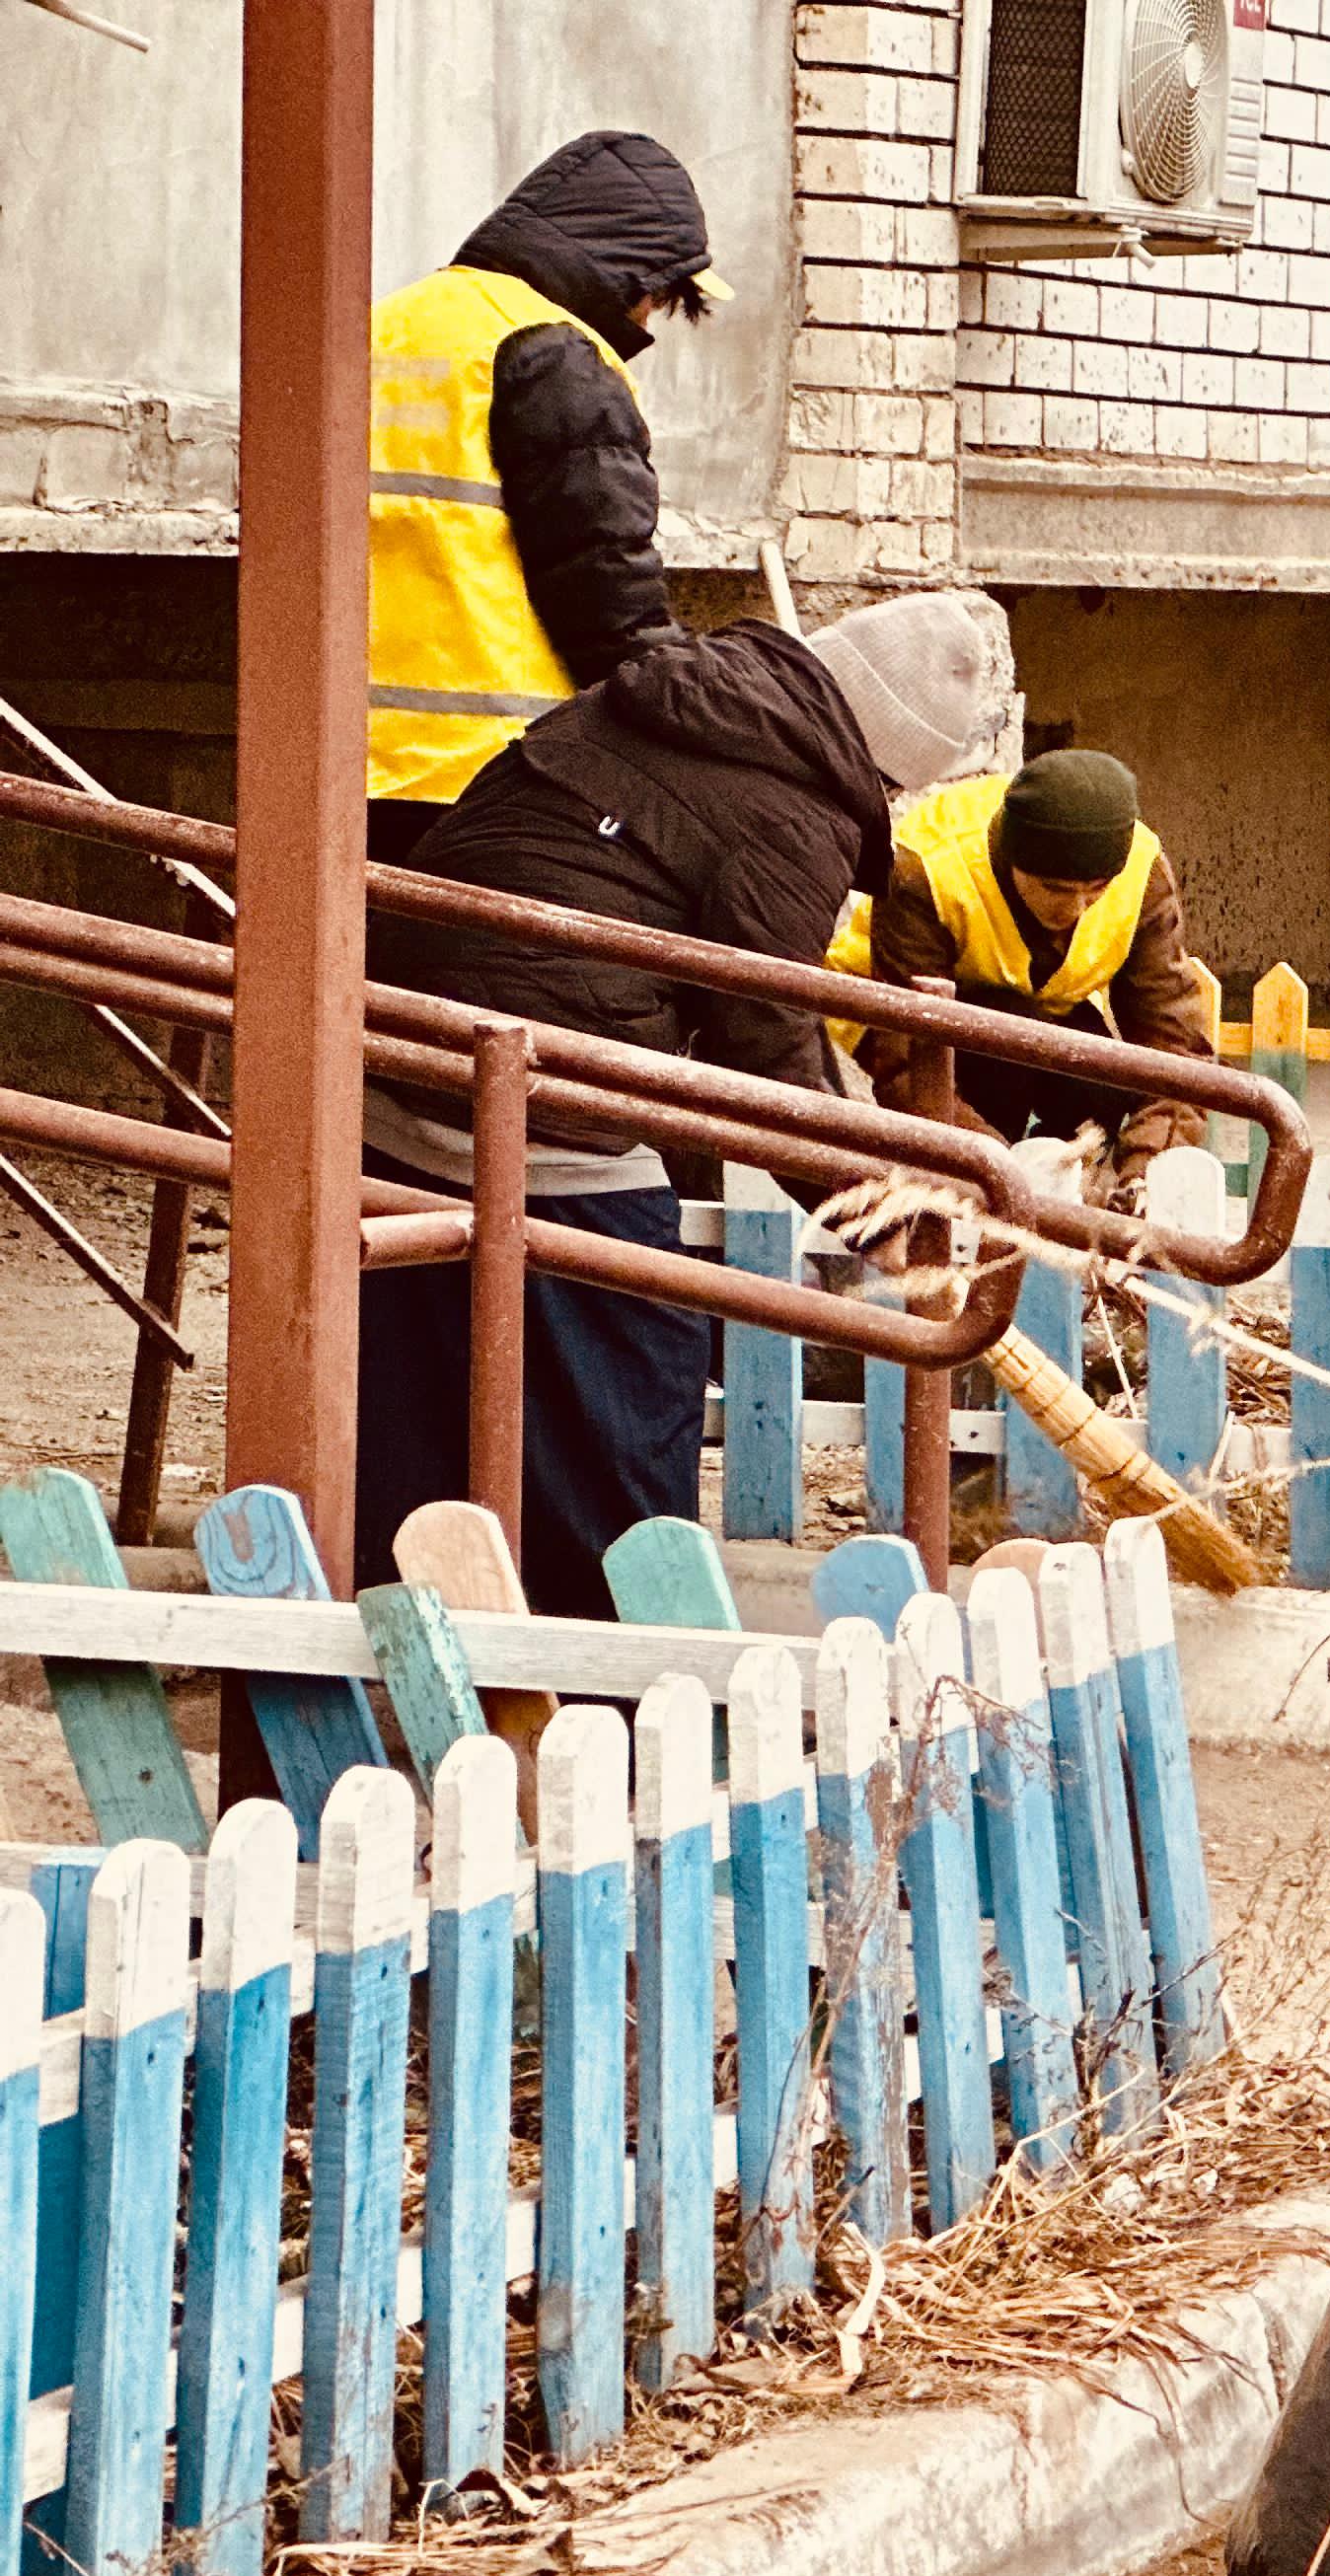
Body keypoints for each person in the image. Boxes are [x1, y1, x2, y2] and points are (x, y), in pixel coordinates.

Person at [355, 594, 1011, 1615]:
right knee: (633, 1376)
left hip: (396, 1050)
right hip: (546, 1098)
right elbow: (767, 1042)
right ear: (885, 765)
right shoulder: (799, 812)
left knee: (428, 1375)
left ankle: (404, 1616)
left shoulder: (649, 695)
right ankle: (613, 1662)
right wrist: (874, 1209)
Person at [368, 132, 729, 863]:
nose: (645, 328)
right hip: (496, 772)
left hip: (338, 758)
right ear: (631, 278)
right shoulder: (553, 350)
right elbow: (603, 583)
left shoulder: (384, 323)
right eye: (656, 305)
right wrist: (702, 712)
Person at [839, 750, 1218, 1184]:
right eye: (1054, 889)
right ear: (1010, 859)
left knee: (1104, 1093)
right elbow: (906, 1058)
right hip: (912, 1017)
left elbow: (1172, 1037)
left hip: (1044, 1011)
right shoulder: (926, 866)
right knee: (998, 1075)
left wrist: (1149, 1172)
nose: (1075, 909)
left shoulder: (1143, 871)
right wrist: (993, 1173)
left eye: (1096, 891)